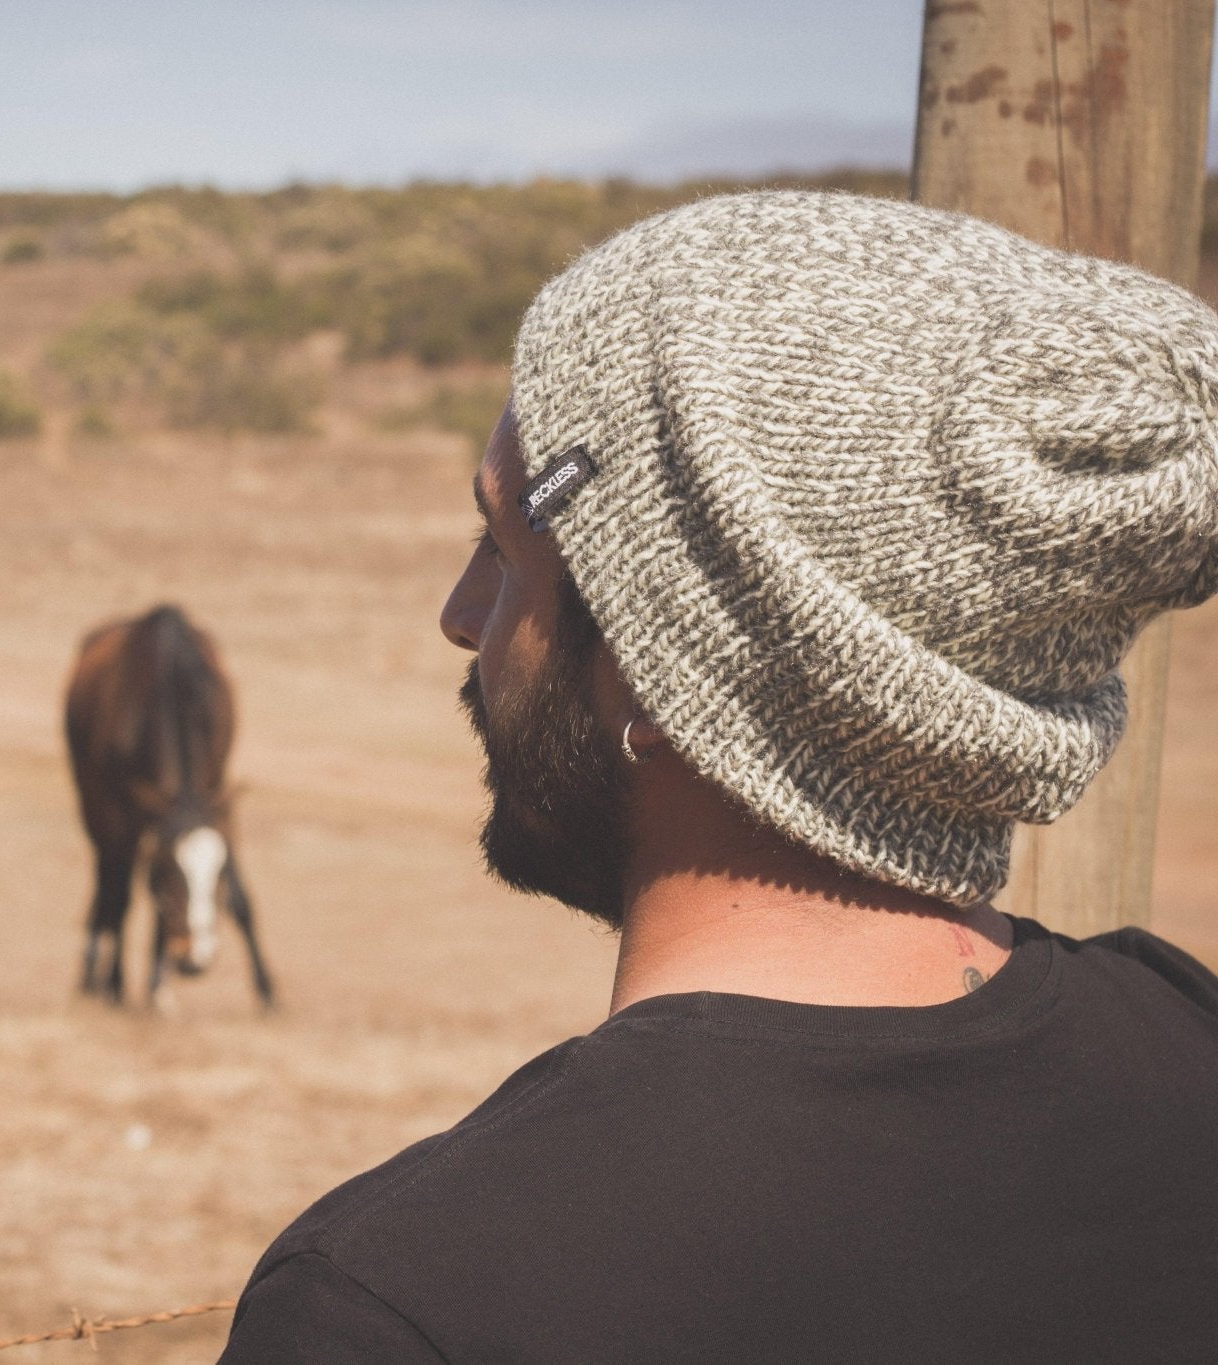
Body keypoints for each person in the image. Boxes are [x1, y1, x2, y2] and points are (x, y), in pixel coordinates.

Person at [219, 192, 1218, 1363]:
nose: (459, 618)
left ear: (662, 663)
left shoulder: (404, 1304)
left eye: (501, 548)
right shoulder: (1180, 1037)